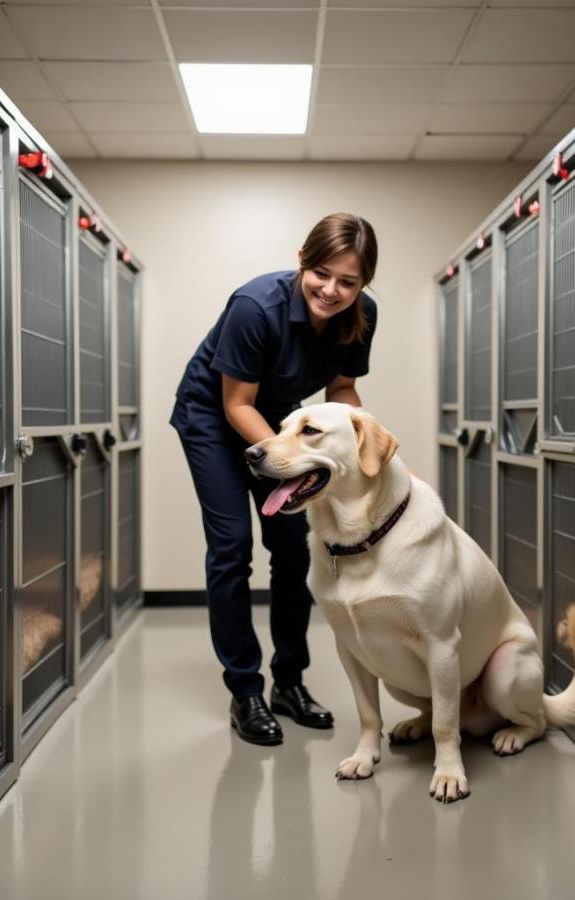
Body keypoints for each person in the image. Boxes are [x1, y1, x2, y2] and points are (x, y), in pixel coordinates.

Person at [169, 213, 379, 746]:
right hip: (214, 419)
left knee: (295, 548)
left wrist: (358, 438)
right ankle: (246, 691)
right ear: (302, 261)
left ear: (363, 284)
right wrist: (291, 458)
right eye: (322, 274)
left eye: (349, 282)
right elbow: (236, 403)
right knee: (232, 545)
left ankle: (290, 682)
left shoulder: (361, 315)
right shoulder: (255, 306)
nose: (332, 291)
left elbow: (342, 389)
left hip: (281, 421)